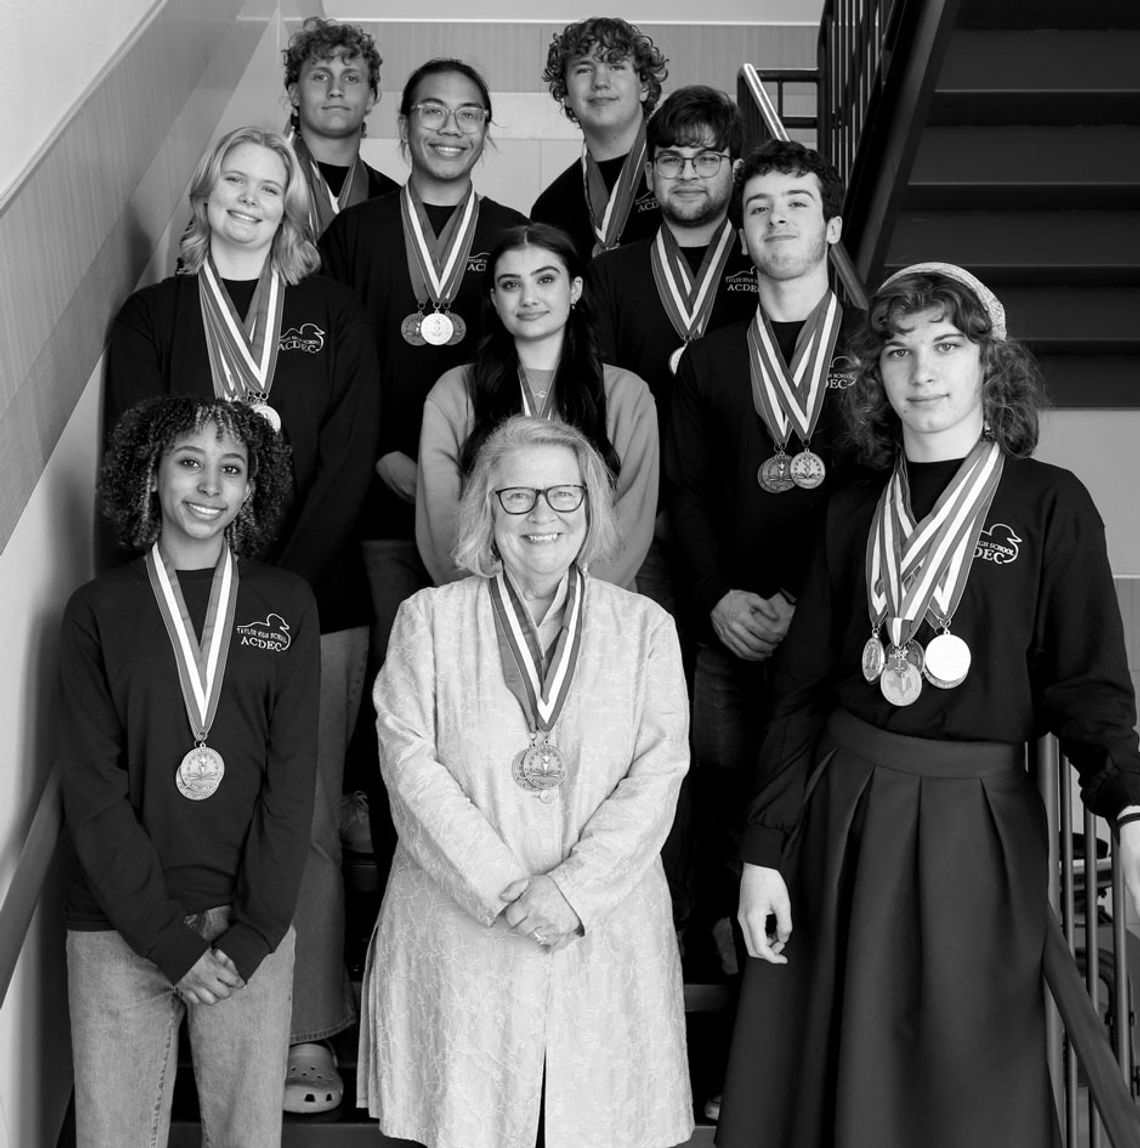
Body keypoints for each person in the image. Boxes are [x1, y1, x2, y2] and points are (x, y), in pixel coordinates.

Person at [717, 264, 1140, 1148]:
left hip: (973, 821)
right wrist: (765, 849)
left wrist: (1130, 811)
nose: (923, 370)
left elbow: (1087, 688)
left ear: (993, 363)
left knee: (967, 1061)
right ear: (876, 376)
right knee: (825, 1063)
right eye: (900, 351)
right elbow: (797, 696)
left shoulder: (1050, 502)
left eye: (949, 346)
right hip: (844, 813)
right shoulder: (849, 508)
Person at [105, 125, 380, 1112]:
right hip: (173, 608)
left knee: (299, 816)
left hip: (314, 604)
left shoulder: (332, 313)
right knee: (179, 803)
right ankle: (186, 1009)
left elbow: (349, 461)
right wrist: (205, 588)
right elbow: (142, 454)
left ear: (295, 208)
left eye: (275, 186)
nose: (254, 199)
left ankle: (303, 1029)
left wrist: (272, 594)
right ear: (206, 190)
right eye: (237, 179)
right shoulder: (152, 315)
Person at [359, 415, 692, 1148]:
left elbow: (660, 772)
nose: (542, 515)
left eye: (564, 495)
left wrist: (570, 892)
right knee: (469, 1124)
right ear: (485, 509)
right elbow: (407, 762)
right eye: (516, 498)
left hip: (598, 928)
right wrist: (504, 886)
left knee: (598, 1124)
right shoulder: (429, 620)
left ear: (593, 506)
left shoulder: (644, 628)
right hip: (465, 924)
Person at [60, 396, 319, 1148]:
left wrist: (254, 932)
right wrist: (167, 944)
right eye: (189, 462)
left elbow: (292, 780)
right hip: (117, 928)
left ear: (251, 489)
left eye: (231, 469)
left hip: (248, 932)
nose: (210, 485)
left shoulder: (285, 604)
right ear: (151, 475)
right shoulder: (97, 610)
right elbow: (93, 791)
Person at [663, 139, 858, 987]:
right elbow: (689, 496)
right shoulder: (707, 360)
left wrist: (798, 597)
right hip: (730, 631)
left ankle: (811, 1006)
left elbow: (875, 494)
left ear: (833, 224)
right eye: (760, 208)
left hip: (843, 628)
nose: (778, 220)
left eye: (798, 203)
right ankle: (734, 1020)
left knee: (825, 808)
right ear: (741, 235)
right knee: (722, 804)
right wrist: (717, 601)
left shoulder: (879, 355)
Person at [320, 57, 529, 673]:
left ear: (486, 130)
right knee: (400, 660)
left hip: (487, 499)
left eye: (469, 114)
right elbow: (334, 367)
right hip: (381, 495)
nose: (450, 127)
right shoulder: (354, 234)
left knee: (482, 668)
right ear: (404, 125)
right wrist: (383, 453)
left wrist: (479, 474)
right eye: (432, 110)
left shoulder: (514, 235)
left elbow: (531, 363)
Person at [586, 84, 758, 614]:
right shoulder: (610, 273)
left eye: (707, 159)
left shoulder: (765, 267)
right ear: (650, 170)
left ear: (736, 168)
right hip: (637, 520)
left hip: (740, 518)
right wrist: (646, 506)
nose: (687, 174)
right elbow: (597, 399)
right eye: (671, 159)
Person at [416, 222, 658, 590]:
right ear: (495, 300)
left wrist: (569, 608)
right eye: (511, 284)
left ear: (574, 289)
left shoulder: (629, 395)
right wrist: (500, 609)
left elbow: (631, 523)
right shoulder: (453, 394)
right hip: (482, 612)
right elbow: (442, 525)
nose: (528, 297)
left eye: (545, 280)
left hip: (597, 612)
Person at [532, 17, 667, 262]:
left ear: (644, 86)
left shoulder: (684, 177)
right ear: (566, 95)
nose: (600, 82)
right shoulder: (550, 208)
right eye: (584, 69)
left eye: (615, 66)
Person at [284, 16, 398, 237]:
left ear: (371, 97)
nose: (335, 89)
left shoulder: (395, 201)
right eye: (320, 76)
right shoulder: (261, 185)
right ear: (295, 93)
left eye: (351, 78)